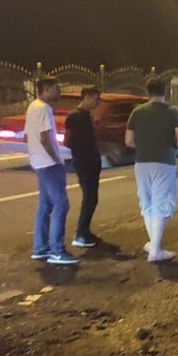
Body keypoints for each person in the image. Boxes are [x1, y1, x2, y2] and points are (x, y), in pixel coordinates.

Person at [126, 79, 178, 263]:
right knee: (161, 203)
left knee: (147, 202)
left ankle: (153, 244)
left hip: (142, 163)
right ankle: (155, 251)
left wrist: (145, 145)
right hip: (164, 163)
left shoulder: (137, 112)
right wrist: (169, 145)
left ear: (148, 92)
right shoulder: (172, 112)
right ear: (165, 92)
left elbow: (128, 141)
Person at [26, 78, 78, 265]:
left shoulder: (32, 106)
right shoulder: (44, 109)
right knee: (61, 204)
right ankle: (57, 250)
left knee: (45, 205)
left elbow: (27, 136)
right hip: (49, 164)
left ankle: (40, 248)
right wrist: (55, 159)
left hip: (38, 162)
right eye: (57, 88)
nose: (60, 91)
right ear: (46, 90)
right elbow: (44, 138)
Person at [64, 85, 103, 248]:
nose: (98, 102)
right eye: (95, 98)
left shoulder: (88, 116)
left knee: (92, 197)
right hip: (83, 161)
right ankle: (80, 234)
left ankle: (85, 231)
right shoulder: (74, 116)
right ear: (86, 97)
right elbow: (68, 140)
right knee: (89, 197)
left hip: (92, 159)